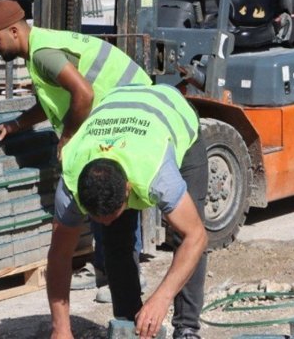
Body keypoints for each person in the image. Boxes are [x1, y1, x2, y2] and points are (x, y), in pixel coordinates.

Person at [0, 0, 153, 298]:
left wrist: (68, 137)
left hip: (130, 109)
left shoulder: (43, 53)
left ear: (15, 32)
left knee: (108, 186)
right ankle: (106, 269)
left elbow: (83, 92)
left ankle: (125, 274)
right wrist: (14, 125)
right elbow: (59, 101)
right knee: (97, 187)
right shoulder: (39, 52)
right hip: (118, 109)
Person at [49, 83, 208, 339]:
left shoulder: (156, 172)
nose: (107, 223)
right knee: (115, 239)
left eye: (112, 215)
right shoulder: (71, 180)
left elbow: (196, 236)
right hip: (118, 110)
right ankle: (129, 324)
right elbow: (59, 255)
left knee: (185, 234)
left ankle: (187, 327)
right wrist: (61, 328)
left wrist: (161, 298)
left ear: (127, 189)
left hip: (172, 113)